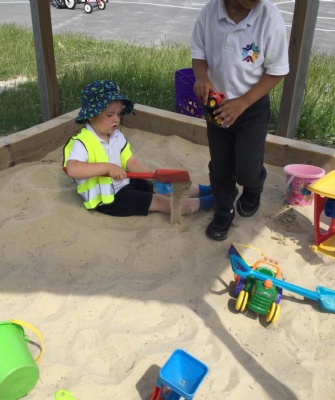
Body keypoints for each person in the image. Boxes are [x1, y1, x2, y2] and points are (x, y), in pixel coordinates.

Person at [191, 0, 289, 240]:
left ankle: (253, 187)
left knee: (247, 170)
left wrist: (244, 102)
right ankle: (224, 208)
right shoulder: (210, 13)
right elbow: (199, 54)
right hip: (216, 107)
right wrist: (202, 77)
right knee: (221, 165)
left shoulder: (269, 17)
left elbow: (276, 71)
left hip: (252, 109)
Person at [63, 79, 214, 217]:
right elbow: (73, 169)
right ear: (91, 115)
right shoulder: (82, 142)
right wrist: (107, 168)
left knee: (163, 187)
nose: (116, 119)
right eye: (109, 115)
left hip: (126, 182)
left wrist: (152, 177)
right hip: (108, 198)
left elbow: (131, 163)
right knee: (160, 201)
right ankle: (210, 202)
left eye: (119, 114)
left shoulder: (116, 136)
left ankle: (206, 190)